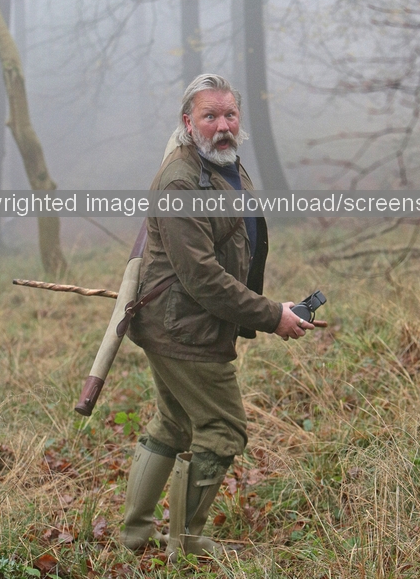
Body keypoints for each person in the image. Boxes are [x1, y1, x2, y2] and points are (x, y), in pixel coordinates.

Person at [122, 74, 325, 559]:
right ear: (188, 122)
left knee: (174, 422)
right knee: (225, 428)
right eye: (209, 116)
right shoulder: (180, 181)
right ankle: (186, 542)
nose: (222, 125)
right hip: (182, 328)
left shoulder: (223, 164)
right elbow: (203, 278)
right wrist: (271, 315)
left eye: (229, 114)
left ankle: (136, 535)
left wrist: (267, 310)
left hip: (189, 321)